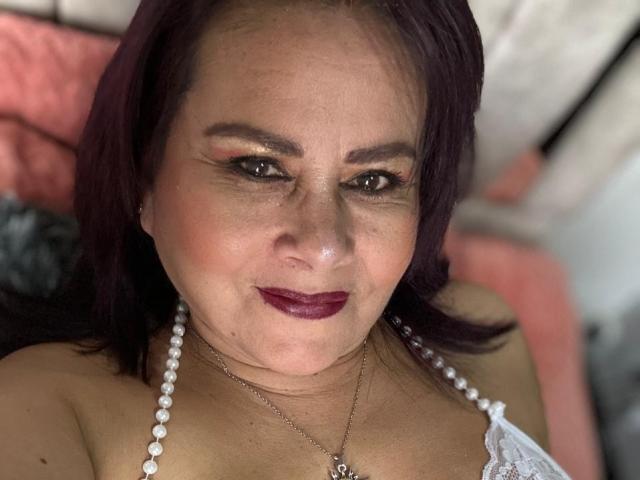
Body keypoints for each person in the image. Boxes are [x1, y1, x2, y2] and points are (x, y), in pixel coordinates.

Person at [0, 1, 573, 478]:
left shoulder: (487, 349)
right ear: (145, 179)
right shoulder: (45, 412)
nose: (324, 245)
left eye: (374, 180)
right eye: (259, 168)